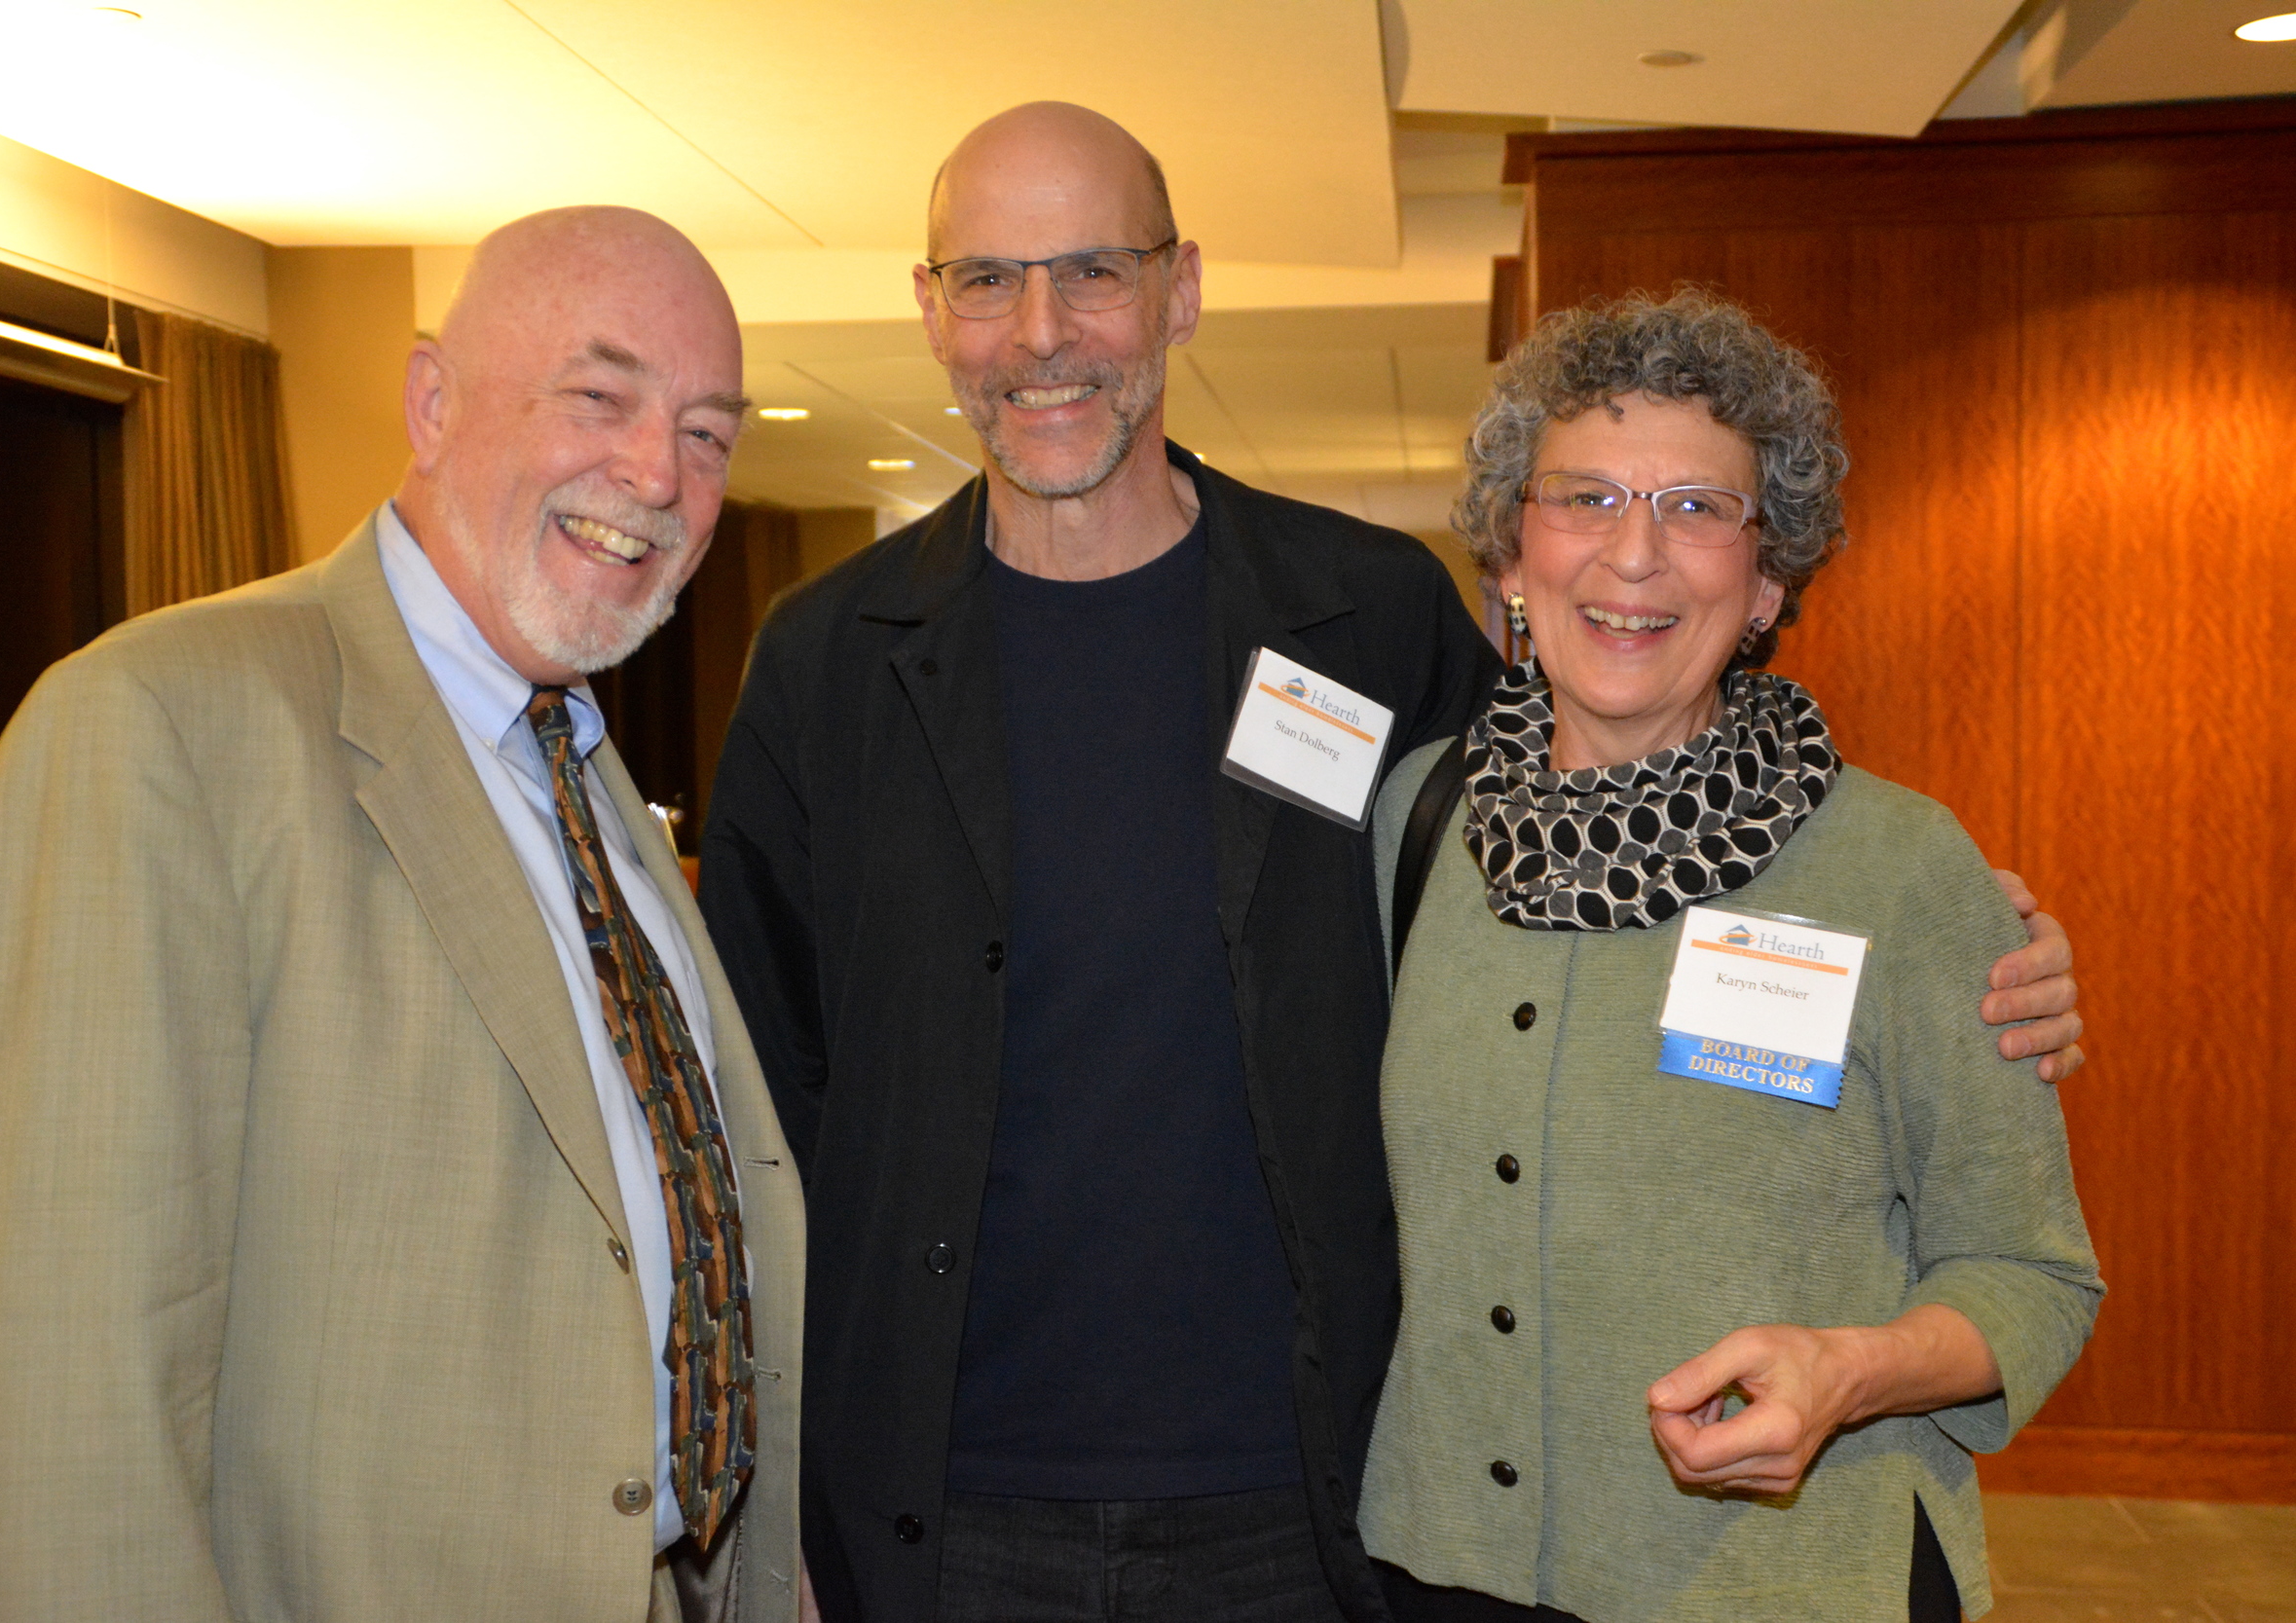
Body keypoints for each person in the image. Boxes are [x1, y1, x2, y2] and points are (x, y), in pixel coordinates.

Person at [698, 105, 2085, 1623]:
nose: (1042, 331)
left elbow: (1635, 791)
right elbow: (763, 1093)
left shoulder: (1357, 621)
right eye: (987, 279)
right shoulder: (827, 666)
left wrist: (1965, 947)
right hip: (946, 1501)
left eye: (1094, 270)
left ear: (1182, 289)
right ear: (929, 307)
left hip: (1311, 1501)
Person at [0, 207, 807, 1623]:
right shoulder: (160, 729)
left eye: (706, 433)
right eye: (600, 396)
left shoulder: (583, 769)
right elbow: (50, 1396)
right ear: (431, 404)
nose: (656, 473)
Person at [1360, 290, 2103, 1623]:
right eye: (1584, 497)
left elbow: (2032, 1274)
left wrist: (1851, 1370)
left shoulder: (1902, 870)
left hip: (1789, 1581)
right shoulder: (1412, 829)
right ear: (1512, 554)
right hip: (1446, 1568)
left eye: (1698, 509)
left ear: (1768, 582)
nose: (1633, 557)